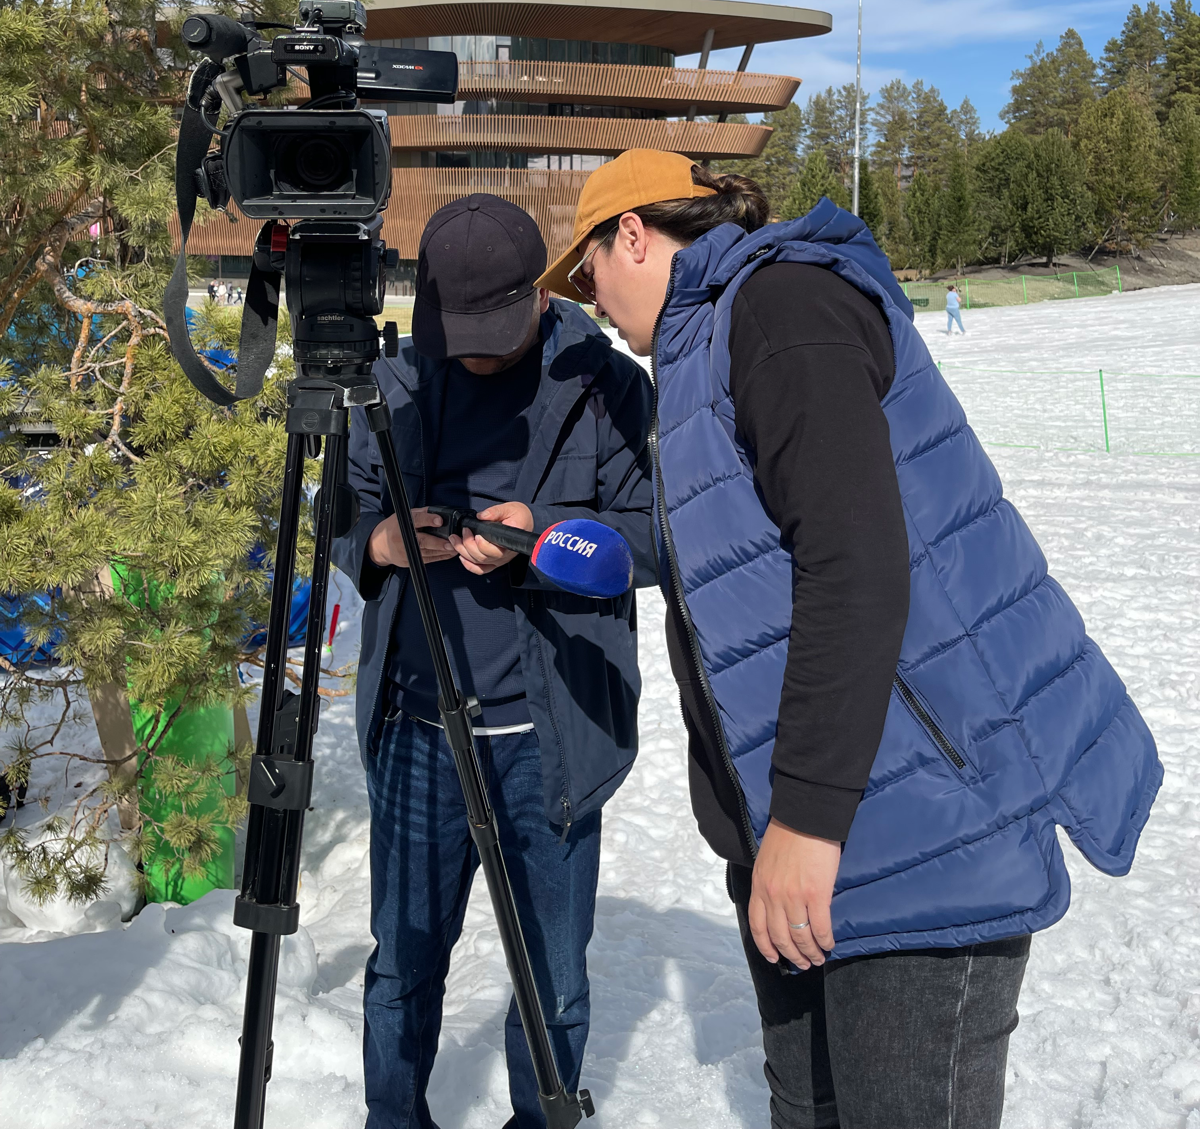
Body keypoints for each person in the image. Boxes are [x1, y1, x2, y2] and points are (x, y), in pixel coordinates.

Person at [538, 148, 1161, 1129]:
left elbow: (856, 561)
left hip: (909, 825)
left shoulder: (779, 307)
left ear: (633, 235)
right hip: (806, 830)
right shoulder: (703, 351)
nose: (593, 302)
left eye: (588, 274)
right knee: (806, 1106)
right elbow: (744, 543)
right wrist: (573, 540)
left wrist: (807, 819)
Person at [333, 193, 656, 1129]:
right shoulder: (394, 381)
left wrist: (543, 536)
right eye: (457, 332)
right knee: (402, 963)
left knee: (552, 974)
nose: (472, 353)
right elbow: (339, 517)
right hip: (416, 726)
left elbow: (655, 539)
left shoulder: (605, 387)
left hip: (549, 735)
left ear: (539, 295)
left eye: (494, 334)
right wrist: (383, 541)